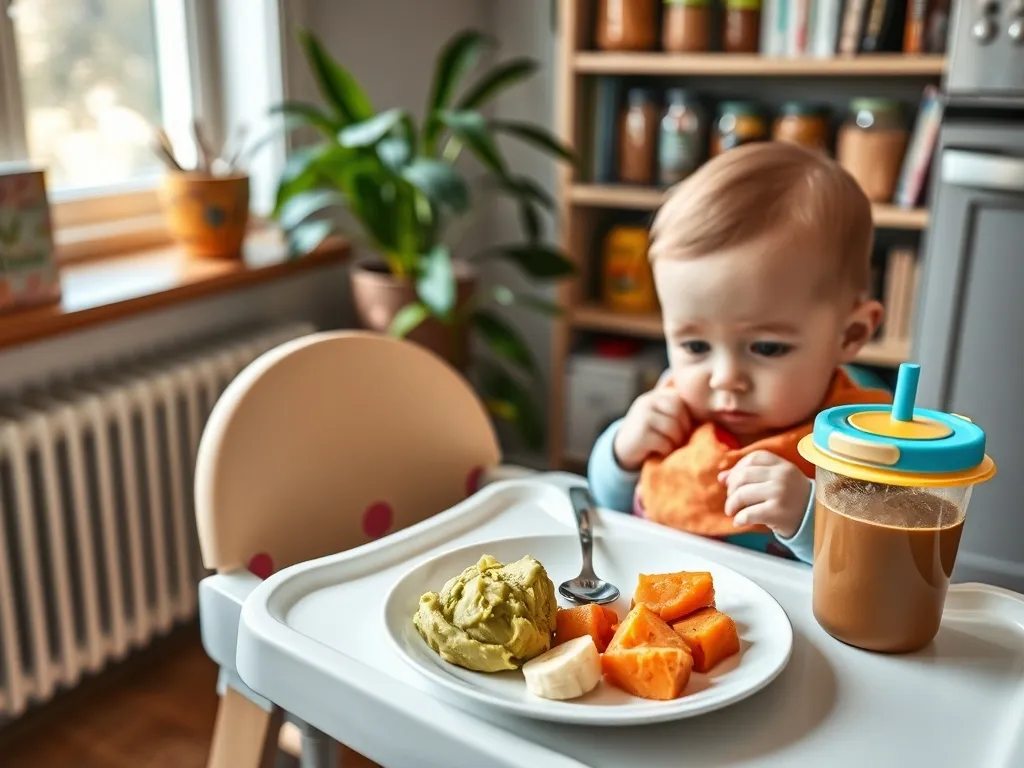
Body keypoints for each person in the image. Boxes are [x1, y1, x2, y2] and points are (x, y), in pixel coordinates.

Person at [587, 142, 892, 564]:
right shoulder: (675, 409)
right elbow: (606, 505)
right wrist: (622, 453)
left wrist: (808, 516)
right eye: (695, 346)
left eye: (766, 347)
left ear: (850, 335)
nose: (724, 378)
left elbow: (875, 565)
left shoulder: (862, 440)